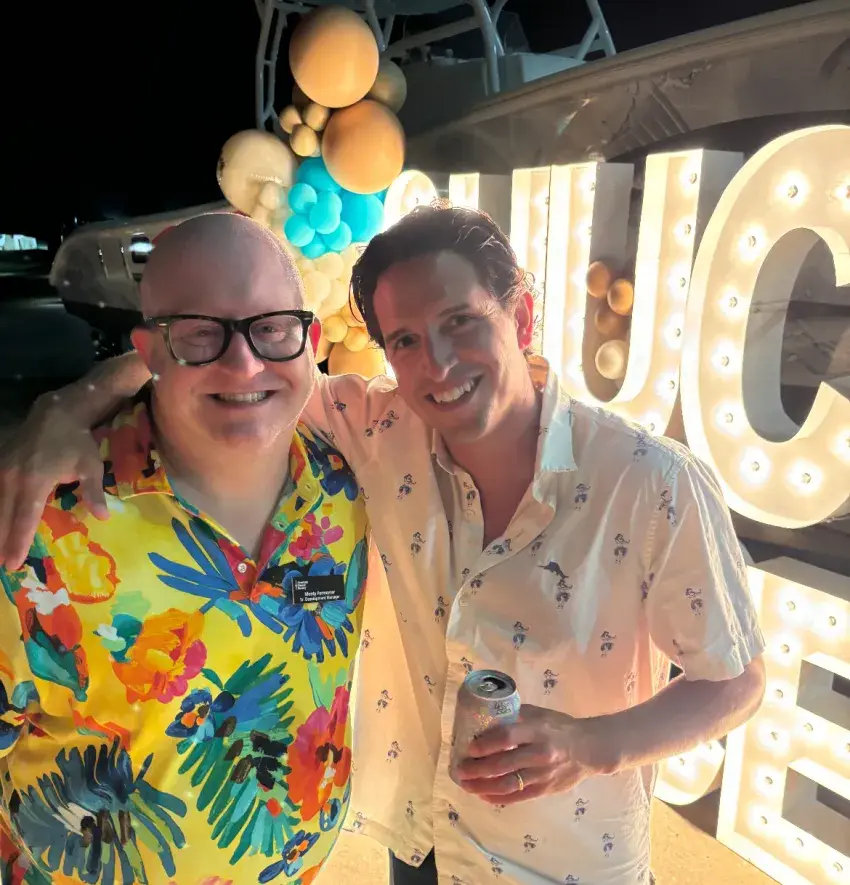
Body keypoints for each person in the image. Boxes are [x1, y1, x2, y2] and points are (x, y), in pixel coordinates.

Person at [0, 204, 766, 885]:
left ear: (523, 316)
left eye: (461, 321)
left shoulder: (651, 482)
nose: (438, 363)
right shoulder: (374, 433)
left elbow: (737, 679)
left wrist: (590, 744)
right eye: (405, 339)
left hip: (568, 863)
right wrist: (69, 403)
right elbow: (230, 362)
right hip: (421, 848)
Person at [0, 213, 372, 885]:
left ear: (310, 340)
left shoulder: (351, 485)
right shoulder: (39, 528)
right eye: (201, 333)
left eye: (272, 328)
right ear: (150, 352)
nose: (245, 363)